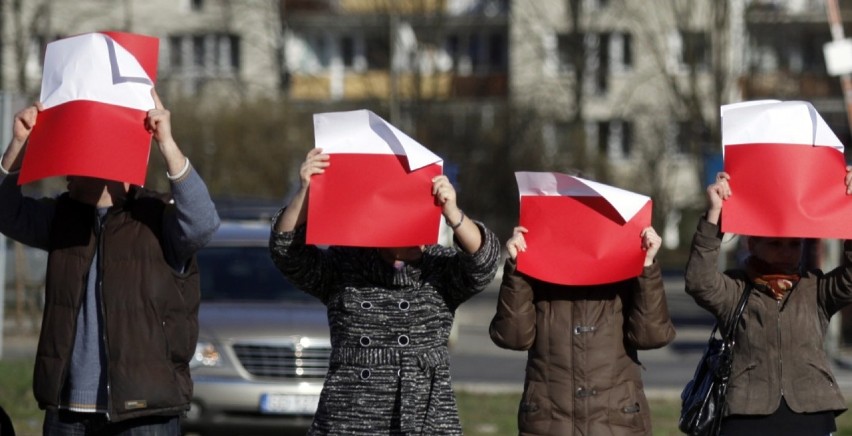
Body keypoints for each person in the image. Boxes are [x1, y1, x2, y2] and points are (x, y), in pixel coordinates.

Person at [0, 90, 220, 435]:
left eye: (76, 158)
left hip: (144, 414)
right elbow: (5, 212)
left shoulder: (157, 217)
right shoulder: (62, 217)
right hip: (67, 412)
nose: (65, 172)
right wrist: (18, 144)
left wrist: (167, 143)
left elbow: (203, 223)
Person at [269, 147, 500, 435]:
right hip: (350, 418)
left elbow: (484, 262)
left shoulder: (439, 269)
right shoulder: (346, 265)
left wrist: (453, 213)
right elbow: (287, 251)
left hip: (422, 420)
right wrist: (307, 191)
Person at [684, 171, 852, 436]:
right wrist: (714, 215)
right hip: (747, 415)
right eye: (775, 244)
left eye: (794, 245)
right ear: (752, 244)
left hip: (811, 412)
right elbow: (699, 281)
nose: (787, 253)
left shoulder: (814, 288)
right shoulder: (736, 288)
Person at [489, 224, 676, 435]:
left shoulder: (626, 269)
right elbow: (512, 337)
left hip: (616, 422)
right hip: (549, 422)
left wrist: (646, 266)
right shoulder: (537, 269)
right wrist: (517, 268)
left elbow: (651, 336)